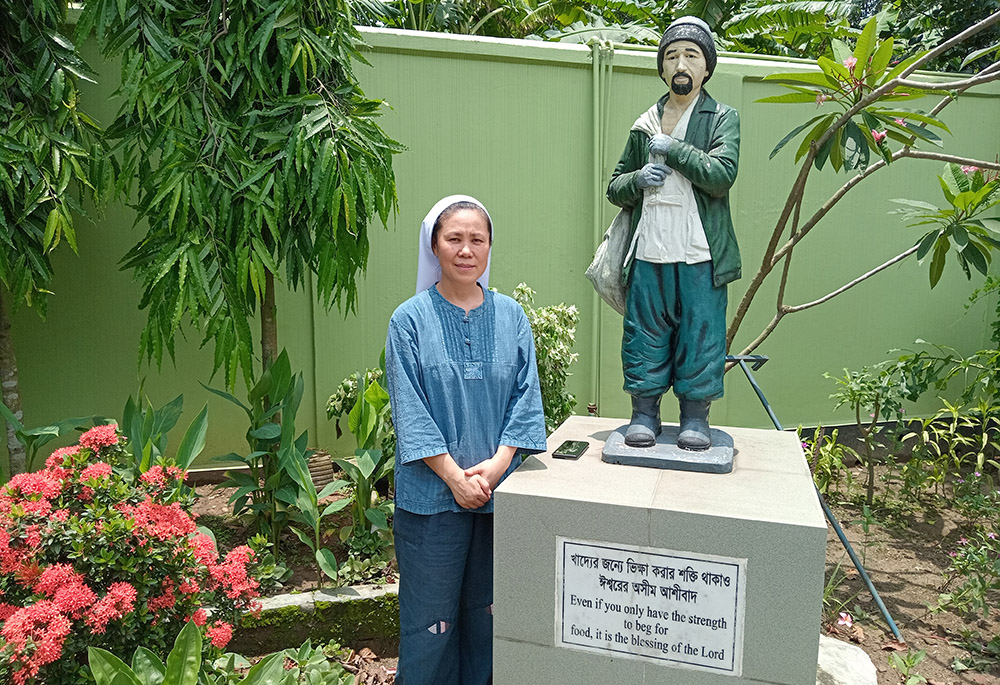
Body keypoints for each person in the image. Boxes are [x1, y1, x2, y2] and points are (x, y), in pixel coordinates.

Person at [385, 195, 548, 684]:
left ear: (489, 247)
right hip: (432, 502)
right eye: (454, 238)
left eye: (477, 239)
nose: (465, 249)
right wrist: (456, 478)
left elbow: (526, 399)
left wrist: (496, 467)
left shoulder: (513, 317)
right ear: (434, 246)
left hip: (500, 500)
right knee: (430, 625)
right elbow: (410, 411)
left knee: (492, 617)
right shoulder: (408, 321)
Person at [606, 16, 741, 451]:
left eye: (691, 55)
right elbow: (615, 186)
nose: (681, 63)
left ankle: (695, 418)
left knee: (700, 333)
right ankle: (643, 412)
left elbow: (722, 175)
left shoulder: (721, 117)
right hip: (650, 251)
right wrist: (638, 179)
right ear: (662, 68)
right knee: (645, 332)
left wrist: (674, 149)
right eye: (672, 55)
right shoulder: (643, 123)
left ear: (707, 68)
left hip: (701, 253)